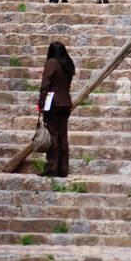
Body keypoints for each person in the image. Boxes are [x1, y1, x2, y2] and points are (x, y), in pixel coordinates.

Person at [37, 41, 74, 178]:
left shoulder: (52, 63)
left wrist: (41, 103)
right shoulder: (68, 64)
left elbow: (45, 84)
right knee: (62, 136)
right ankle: (63, 169)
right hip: (66, 103)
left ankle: (51, 169)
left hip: (53, 104)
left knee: (53, 135)